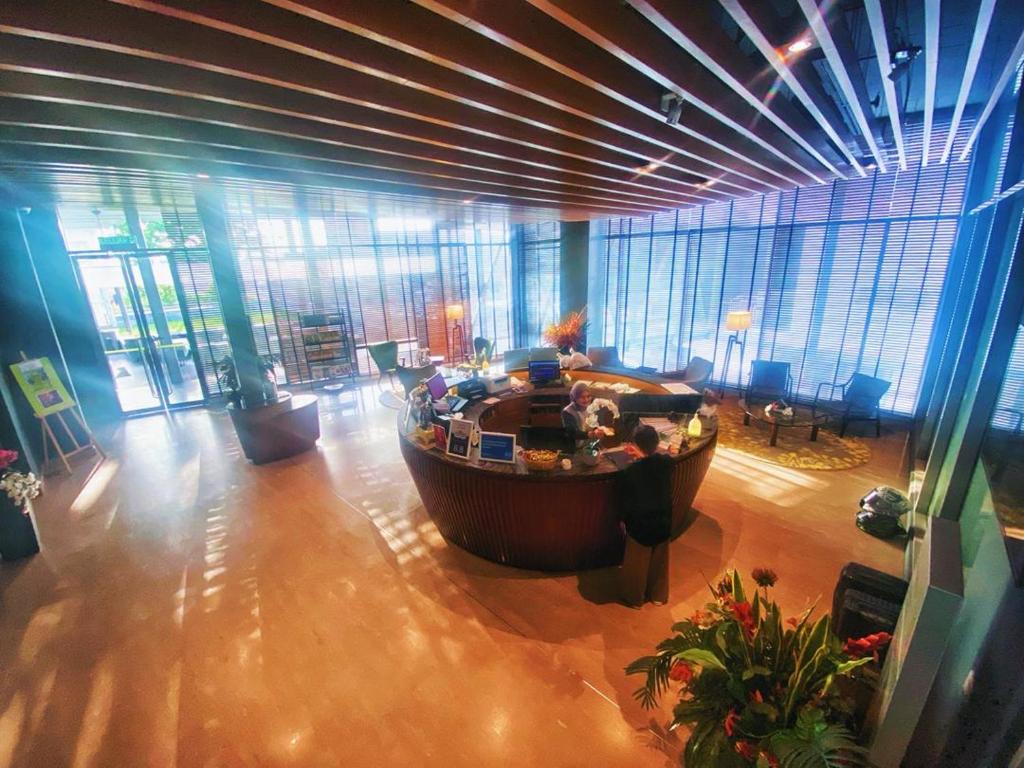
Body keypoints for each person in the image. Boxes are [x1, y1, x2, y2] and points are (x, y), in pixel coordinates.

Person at [618, 424, 674, 607]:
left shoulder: (632, 471)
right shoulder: (667, 463)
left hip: (640, 524)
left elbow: (627, 500)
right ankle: (658, 596)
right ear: (657, 443)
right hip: (664, 520)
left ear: (635, 445)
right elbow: (656, 461)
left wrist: (622, 520)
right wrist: (643, 455)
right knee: (660, 561)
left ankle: (635, 598)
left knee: (637, 561)